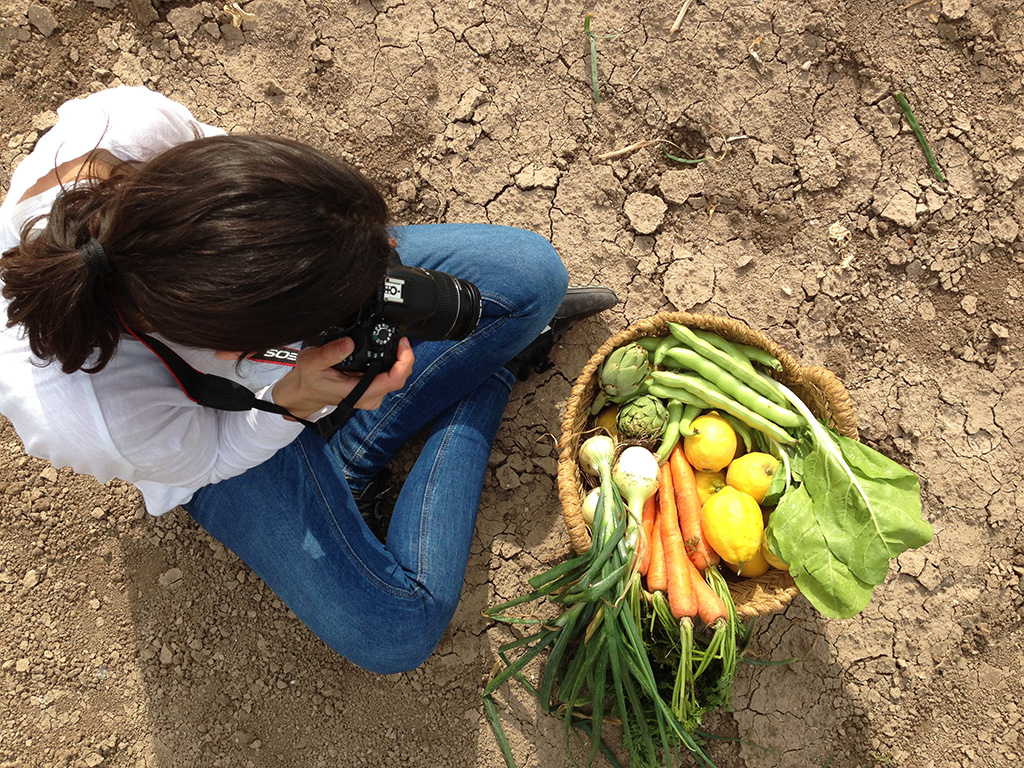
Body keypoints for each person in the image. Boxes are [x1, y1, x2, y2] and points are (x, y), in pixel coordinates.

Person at [0, 86, 617, 674]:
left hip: (280, 293)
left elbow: (273, 227)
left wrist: (350, 265)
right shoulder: (93, 416)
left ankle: (343, 461)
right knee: (396, 628)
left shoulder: (131, 129)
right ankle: (487, 378)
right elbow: (213, 454)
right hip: (214, 440)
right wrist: (293, 402)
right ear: (250, 349)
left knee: (530, 278)